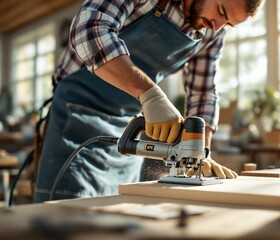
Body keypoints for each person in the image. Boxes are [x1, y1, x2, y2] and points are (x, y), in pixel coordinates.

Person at [34, 0, 265, 202]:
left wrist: (199, 150)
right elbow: (89, 28)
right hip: (77, 115)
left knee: (115, 217)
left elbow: (203, 92)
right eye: (221, 11)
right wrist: (149, 94)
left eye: (228, 24)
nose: (217, 26)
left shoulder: (212, 31)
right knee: (63, 216)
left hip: (126, 129)